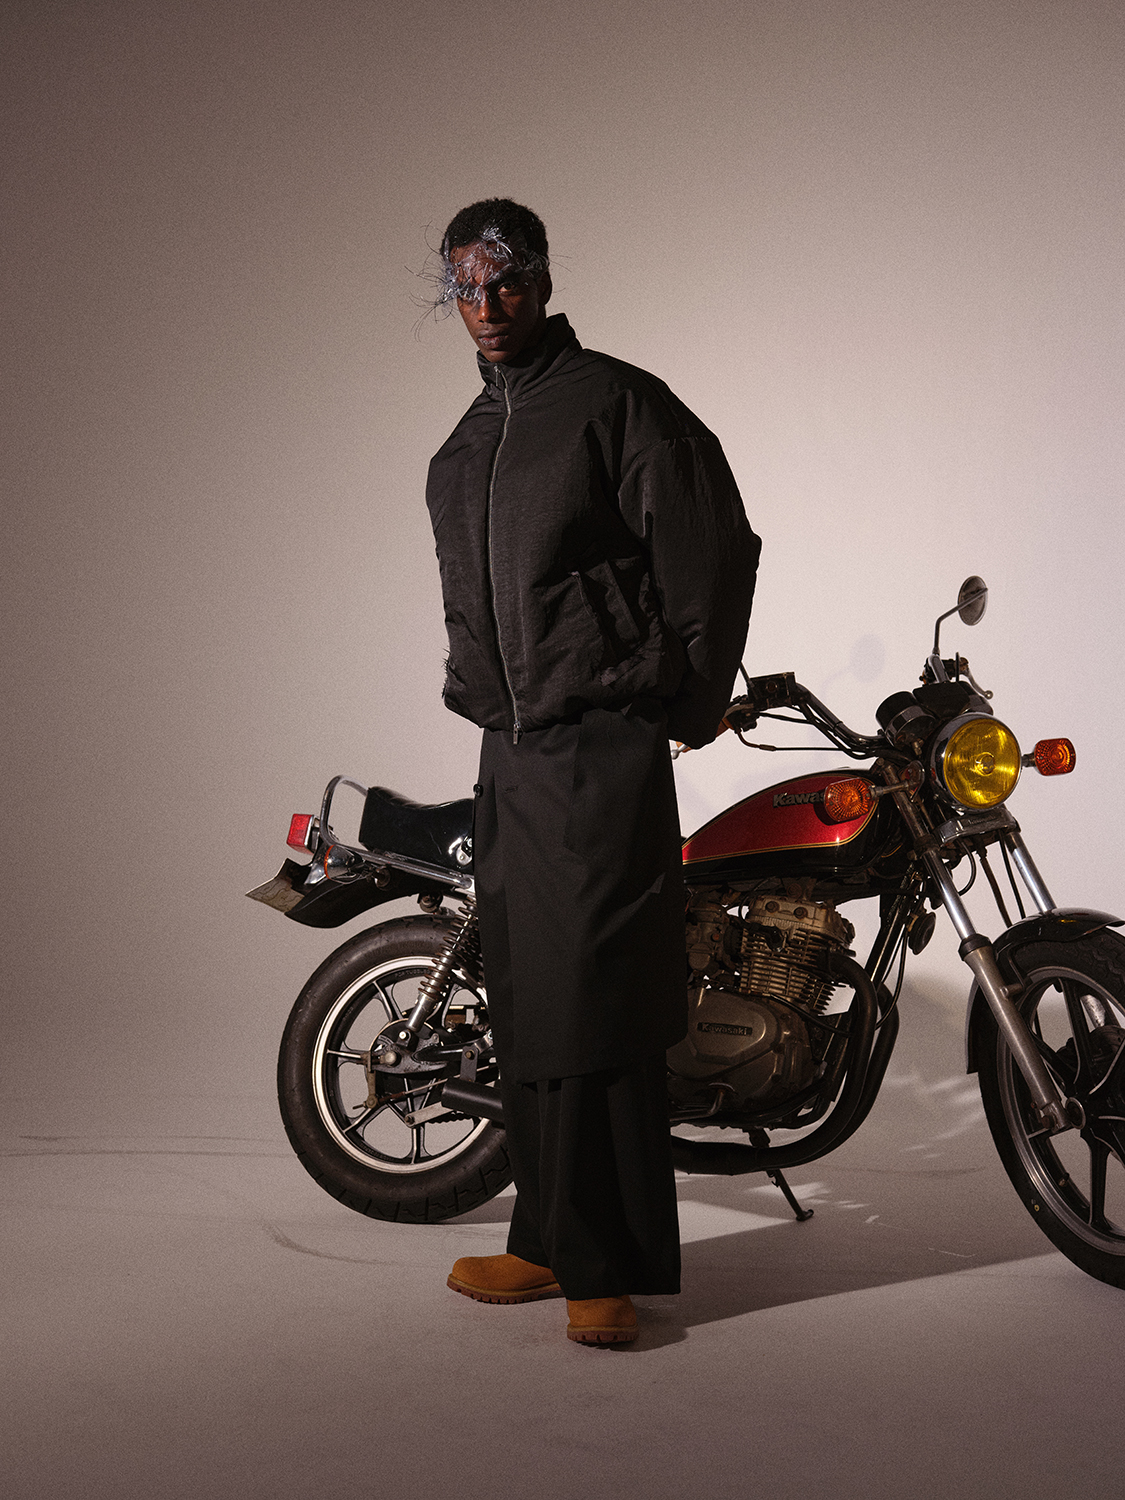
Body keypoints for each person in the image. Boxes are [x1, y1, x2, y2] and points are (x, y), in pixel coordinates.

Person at [424, 198, 760, 1345]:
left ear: (545, 279)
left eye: (506, 282)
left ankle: (605, 1264)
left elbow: (712, 547)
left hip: (600, 741)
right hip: (511, 753)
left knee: (597, 1000)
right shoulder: (464, 446)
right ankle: (544, 1239)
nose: (487, 306)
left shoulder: (617, 404)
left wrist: (683, 705)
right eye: (465, 288)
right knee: (526, 998)